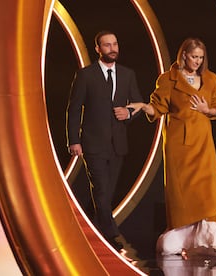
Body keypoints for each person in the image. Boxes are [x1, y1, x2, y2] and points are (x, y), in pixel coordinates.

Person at [127, 38, 216, 257]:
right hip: (179, 145)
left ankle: (206, 238)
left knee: (207, 190)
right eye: (193, 57)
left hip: (203, 143)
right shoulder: (168, 79)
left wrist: (206, 109)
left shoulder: (211, 79)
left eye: (201, 57)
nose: (197, 62)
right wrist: (145, 107)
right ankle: (182, 238)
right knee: (182, 194)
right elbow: (158, 107)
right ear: (183, 55)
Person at [66, 30, 143, 252]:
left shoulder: (128, 74)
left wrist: (128, 113)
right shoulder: (85, 75)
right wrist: (74, 140)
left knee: (106, 192)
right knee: (100, 189)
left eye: (115, 44)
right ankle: (112, 236)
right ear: (98, 49)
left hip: (118, 143)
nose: (112, 48)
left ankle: (89, 227)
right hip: (92, 143)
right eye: (107, 45)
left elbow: (137, 103)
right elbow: (74, 109)